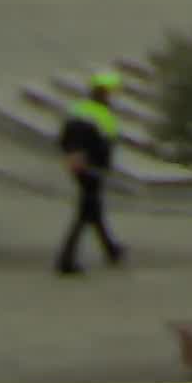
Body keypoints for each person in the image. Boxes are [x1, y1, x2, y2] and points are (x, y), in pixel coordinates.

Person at [55, 70, 127, 276]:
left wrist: (71, 157)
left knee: (93, 209)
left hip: (77, 167)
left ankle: (111, 249)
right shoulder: (105, 117)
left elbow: (64, 139)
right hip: (92, 170)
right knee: (85, 213)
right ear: (104, 94)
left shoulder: (76, 109)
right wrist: (104, 169)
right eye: (111, 93)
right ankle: (66, 260)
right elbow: (106, 147)